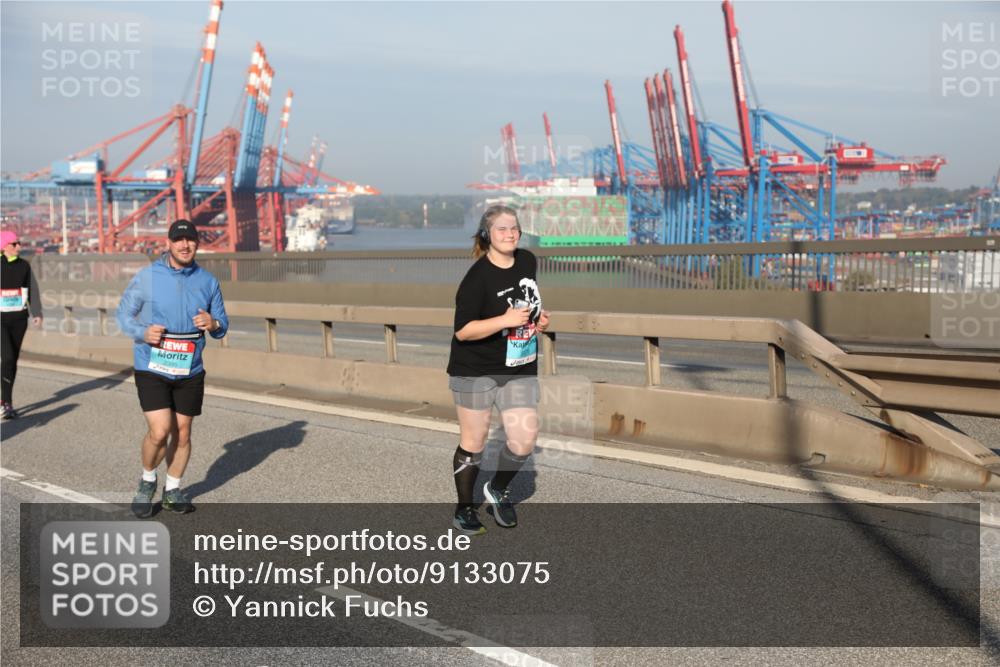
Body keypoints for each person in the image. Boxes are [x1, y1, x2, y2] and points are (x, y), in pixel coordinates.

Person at [446, 204, 550, 535]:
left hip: (518, 365)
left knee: (524, 439)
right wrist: (504, 320)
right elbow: (463, 331)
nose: (510, 234)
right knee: (474, 441)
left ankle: (497, 488)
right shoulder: (477, 278)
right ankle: (464, 509)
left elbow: (527, 301)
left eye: (514, 228)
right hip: (475, 368)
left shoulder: (527, 260)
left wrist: (538, 319)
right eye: (502, 229)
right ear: (486, 234)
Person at [117, 220, 229, 517]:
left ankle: (173, 490)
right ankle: (147, 481)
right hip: (151, 364)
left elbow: (222, 326)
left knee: (183, 432)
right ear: (168, 243)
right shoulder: (148, 277)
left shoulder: (208, 281)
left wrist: (213, 323)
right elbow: (123, 315)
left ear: (197, 243)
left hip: (190, 368)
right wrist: (142, 332)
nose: (184, 245)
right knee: (160, 430)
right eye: (178, 240)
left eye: (190, 239)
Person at [1, 230, 42, 419]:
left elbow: (32, 289)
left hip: (19, 320)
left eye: (18, 243)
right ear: (4, 246)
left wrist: (37, 313)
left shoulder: (23, 266)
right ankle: (5, 403)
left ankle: (6, 399)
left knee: (13, 360)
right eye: (14, 244)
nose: (18, 246)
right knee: (7, 358)